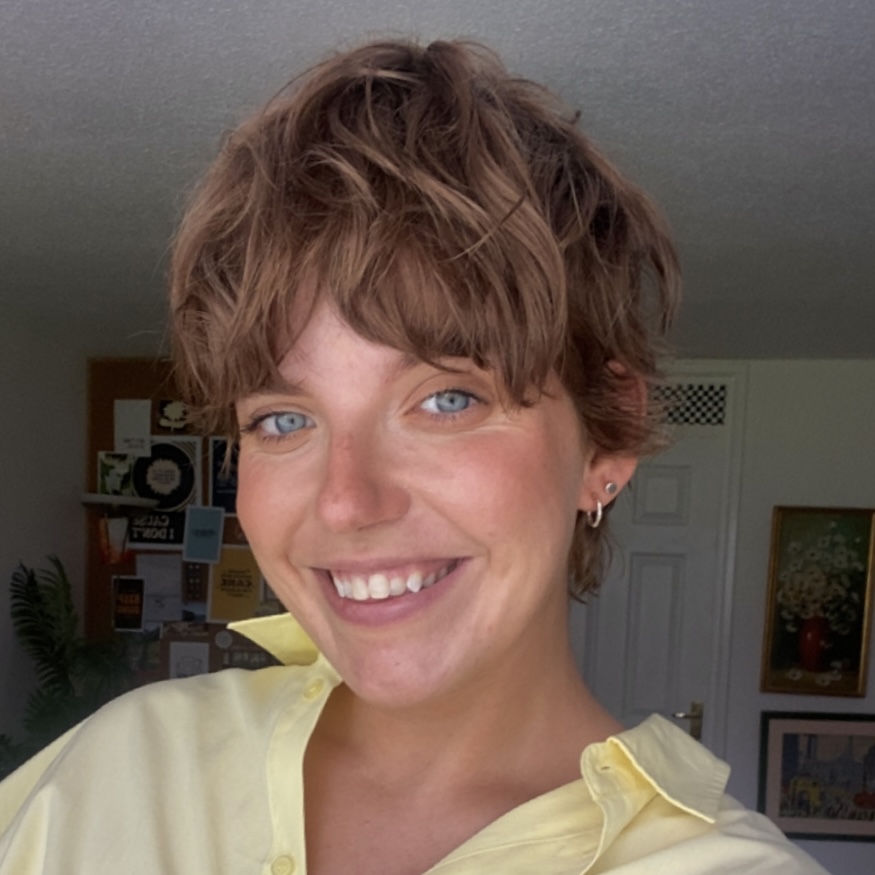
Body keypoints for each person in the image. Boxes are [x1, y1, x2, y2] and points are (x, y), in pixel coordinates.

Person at [0, 39, 827, 875]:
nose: (345, 501)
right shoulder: (120, 772)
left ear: (604, 440)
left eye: (446, 400)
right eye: (283, 419)